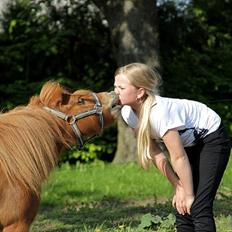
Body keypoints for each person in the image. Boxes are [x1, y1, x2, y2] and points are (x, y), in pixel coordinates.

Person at [113, 62, 231, 232]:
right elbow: (155, 153)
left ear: (140, 92)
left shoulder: (160, 113)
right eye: (115, 86)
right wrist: (178, 186)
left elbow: (178, 157)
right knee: (181, 208)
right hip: (187, 145)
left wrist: (189, 193)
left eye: (121, 87)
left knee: (198, 206)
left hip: (211, 139)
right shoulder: (127, 113)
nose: (115, 91)